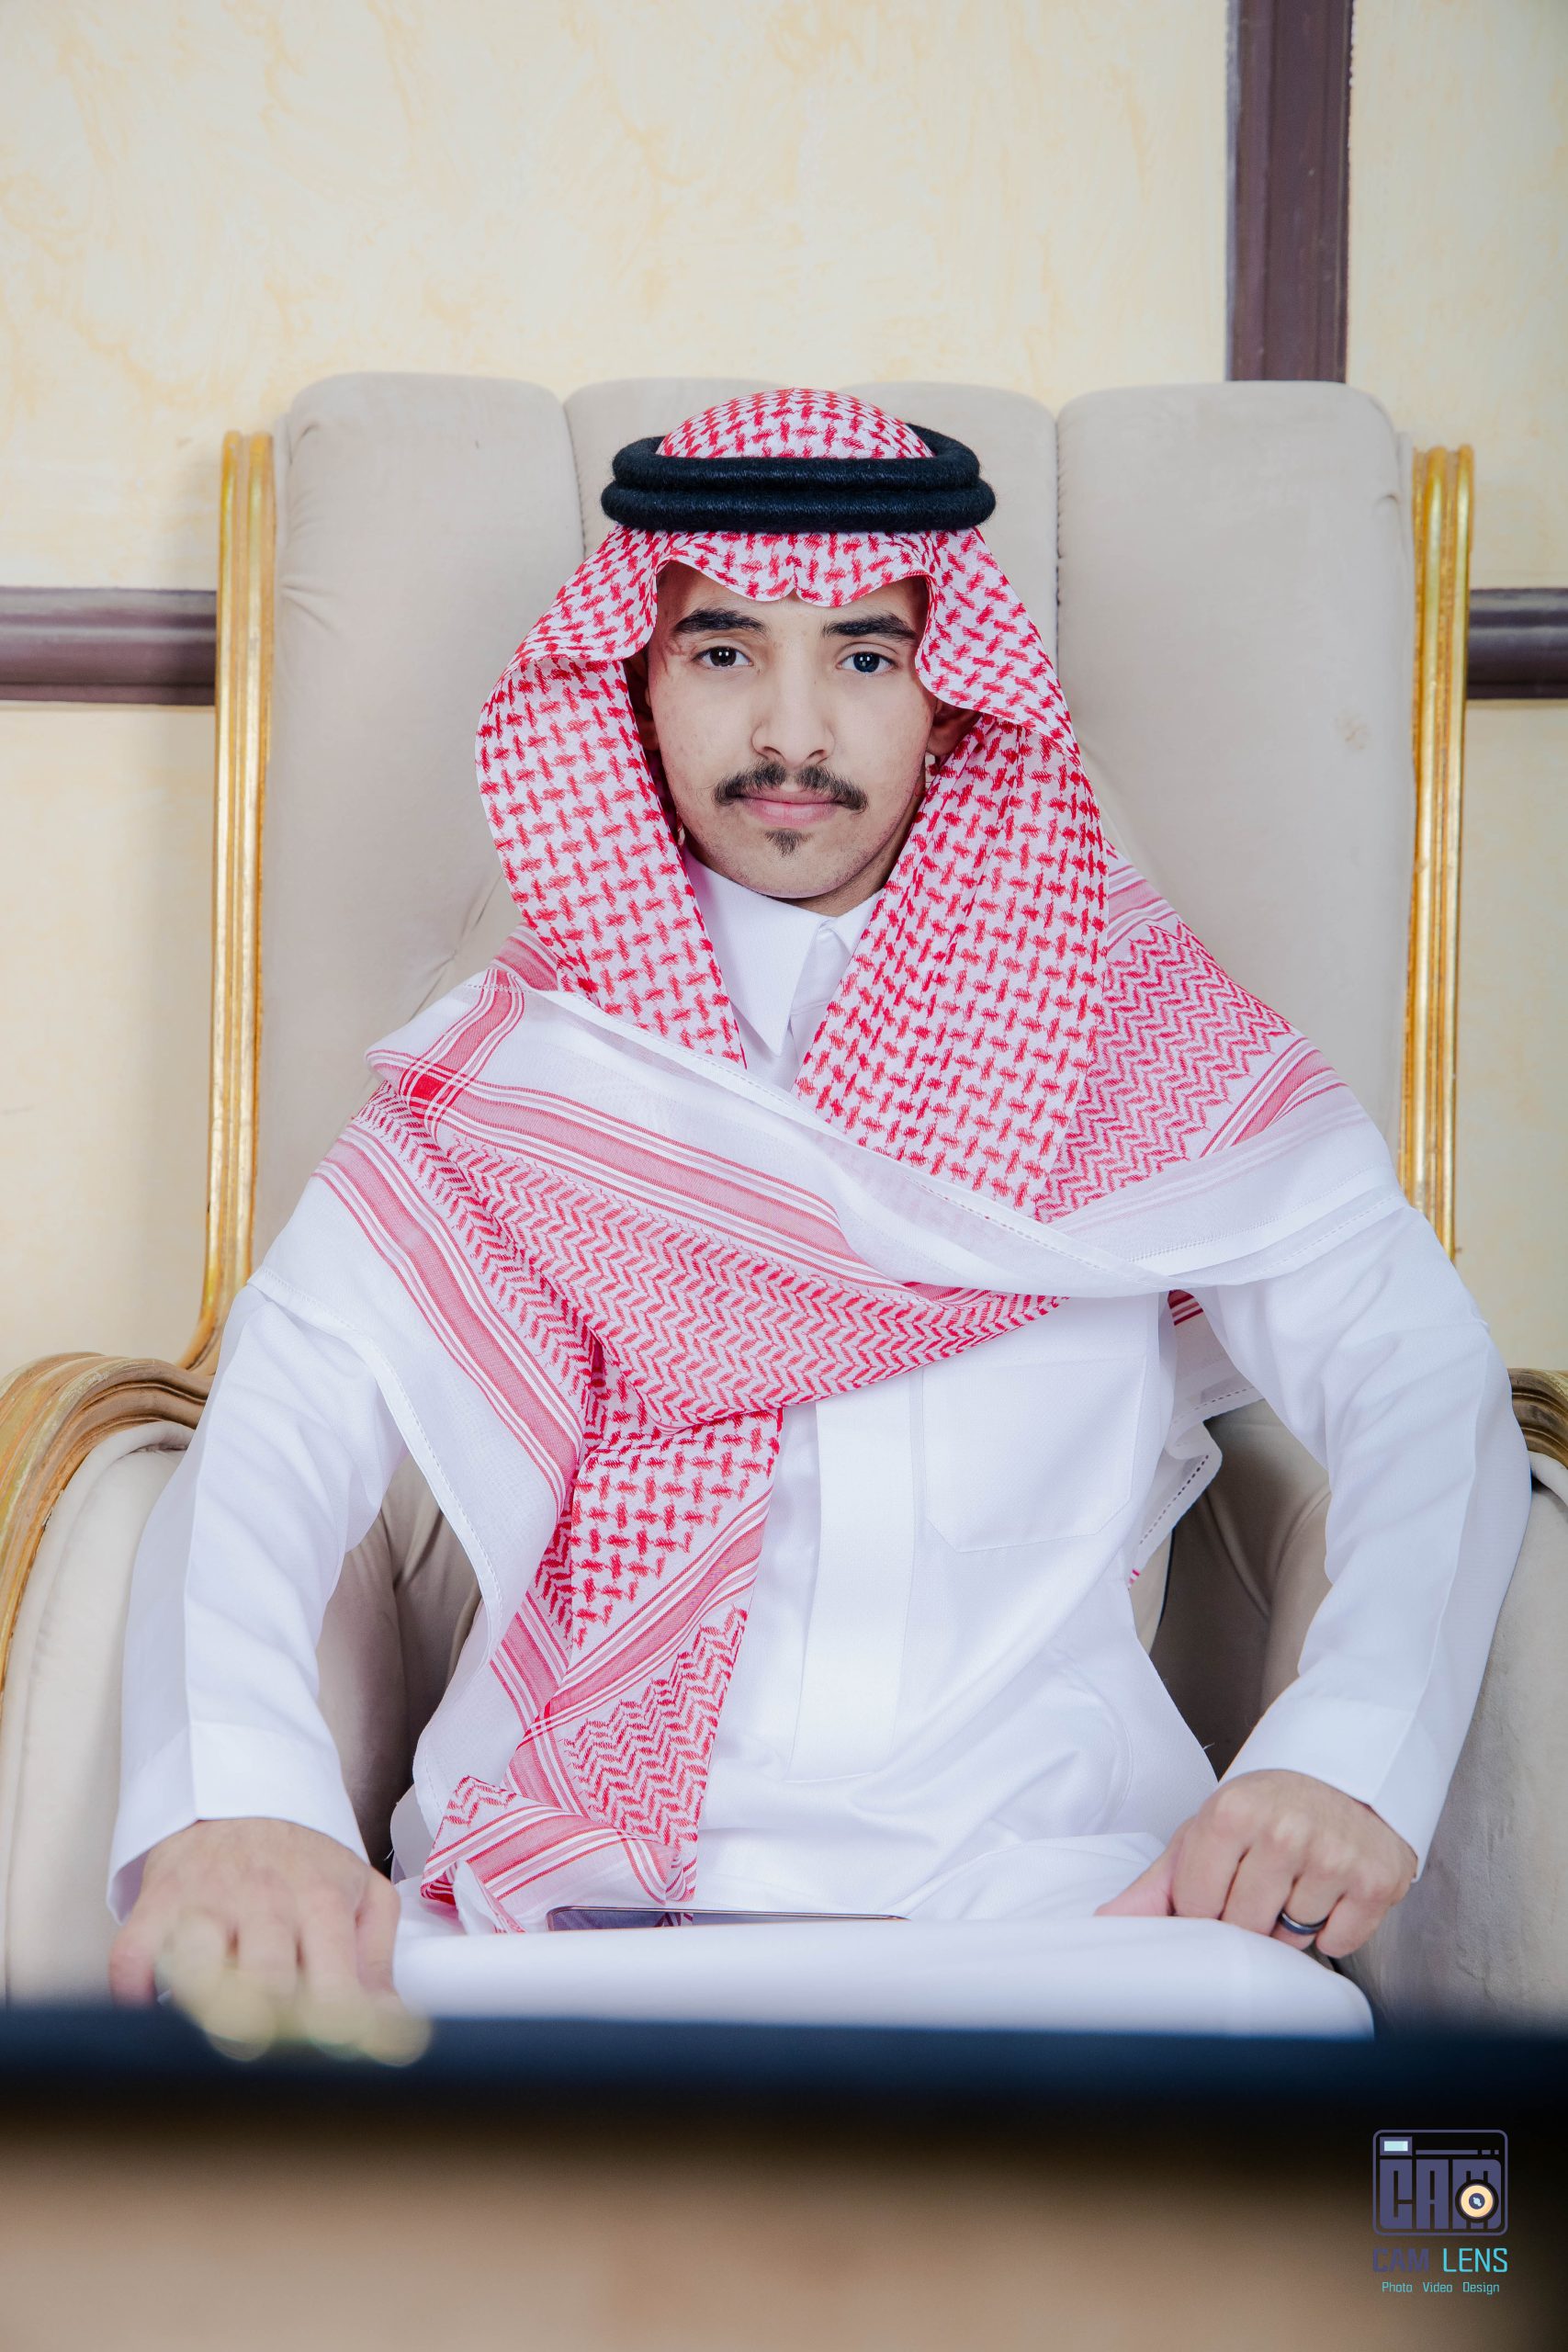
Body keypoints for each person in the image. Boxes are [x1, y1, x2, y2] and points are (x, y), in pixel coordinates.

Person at [106, 390, 1529, 2036]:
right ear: (637, 680)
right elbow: (275, 1423)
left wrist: (1345, 1753)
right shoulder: (526, 1079)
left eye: (864, 654)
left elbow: (1424, 1380)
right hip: (559, 1921)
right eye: (723, 650)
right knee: (272, 2029)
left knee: (1271, 2024)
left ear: (950, 687)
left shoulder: (1136, 1043)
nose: (793, 731)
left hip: (1048, 1911)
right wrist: (247, 1798)